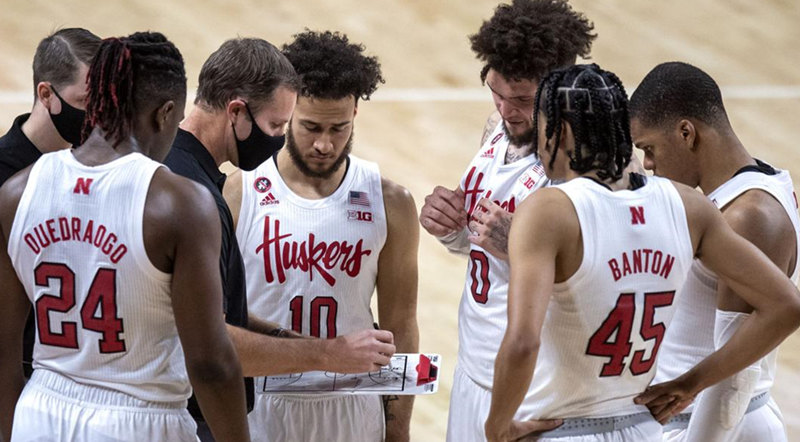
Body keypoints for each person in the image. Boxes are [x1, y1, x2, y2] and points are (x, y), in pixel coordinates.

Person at [484, 63, 800, 442]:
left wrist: (497, 429)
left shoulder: (549, 209)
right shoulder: (689, 207)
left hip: (577, 427)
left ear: (561, 131)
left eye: (541, 129)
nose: (537, 143)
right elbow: (787, 305)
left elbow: (523, 342)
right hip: (642, 428)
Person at [0, 32, 249, 441]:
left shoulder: (16, 192)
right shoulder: (180, 204)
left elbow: (4, 351)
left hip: (40, 411)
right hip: (139, 419)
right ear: (165, 113)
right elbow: (209, 362)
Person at [168, 37, 396, 440]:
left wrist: (282, 336)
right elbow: (211, 340)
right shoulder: (198, 195)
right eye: (278, 125)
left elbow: (212, 313)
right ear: (236, 111)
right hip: (182, 407)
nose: (278, 138)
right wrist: (328, 352)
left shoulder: (185, 176)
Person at [224, 30, 419, 442]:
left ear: (355, 115)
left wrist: (398, 424)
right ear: (288, 110)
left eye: (339, 128)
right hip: (261, 402)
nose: (325, 144)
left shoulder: (391, 201)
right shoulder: (240, 191)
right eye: (311, 127)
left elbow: (400, 324)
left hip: (352, 405)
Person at [416, 1, 596, 440]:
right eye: (496, 91)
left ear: (559, 91)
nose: (505, 109)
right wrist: (453, 230)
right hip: (476, 368)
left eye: (522, 100)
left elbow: (608, 279)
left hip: (535, 387)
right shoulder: (497, 127)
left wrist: (522, 244)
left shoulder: (590, 163)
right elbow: (484, 249)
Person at [629, 62, 799, 441]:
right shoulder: (755, 187)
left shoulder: (748, 217)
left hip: (719, 425)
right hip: (707, 420)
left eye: (650, 148)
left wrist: (690, 386)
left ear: (686, 133)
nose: (649, 164)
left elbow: (735, 378)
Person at [0, 27, 101, 381]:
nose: (100, 117)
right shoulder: (4, 177)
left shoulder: (105, 174)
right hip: (24, 378)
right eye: (86, 103)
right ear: (46, 94)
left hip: (90, 376)